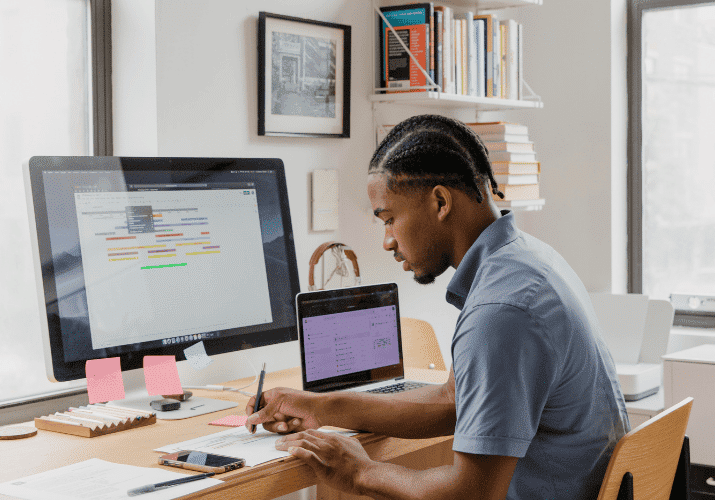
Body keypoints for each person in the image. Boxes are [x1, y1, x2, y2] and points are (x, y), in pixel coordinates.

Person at [246, 114, 629, 500]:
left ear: (441, 202)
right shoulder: (526, 260)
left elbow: (470, 494)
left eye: (390, 219)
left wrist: (360, 472)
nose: (387, 241)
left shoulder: (501, 311)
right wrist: (321, 407)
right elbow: (452, 400)